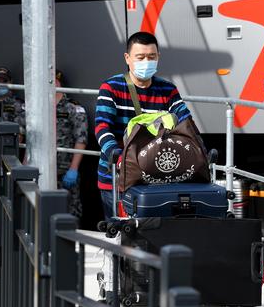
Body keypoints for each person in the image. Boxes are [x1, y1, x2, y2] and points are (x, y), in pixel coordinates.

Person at [95, 31, 192, 221]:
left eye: (151, 57)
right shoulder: (111, 87)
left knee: (155, 236)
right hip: (118, 179)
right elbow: (102, 128)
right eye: (140, 57)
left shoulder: (167, 89)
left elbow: (186, 122)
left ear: (158, 58)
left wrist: (199, 151)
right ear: (127, 58)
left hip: (156, 178)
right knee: (121, 238)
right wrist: (118, 156)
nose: (146, 61)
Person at [55, 70, 88, 218]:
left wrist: (73, 169)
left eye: (55, 81)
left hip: (65, 169)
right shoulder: (40, 107)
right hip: (42, 169)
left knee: (70, 211)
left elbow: (81, 139)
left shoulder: (73, 108)